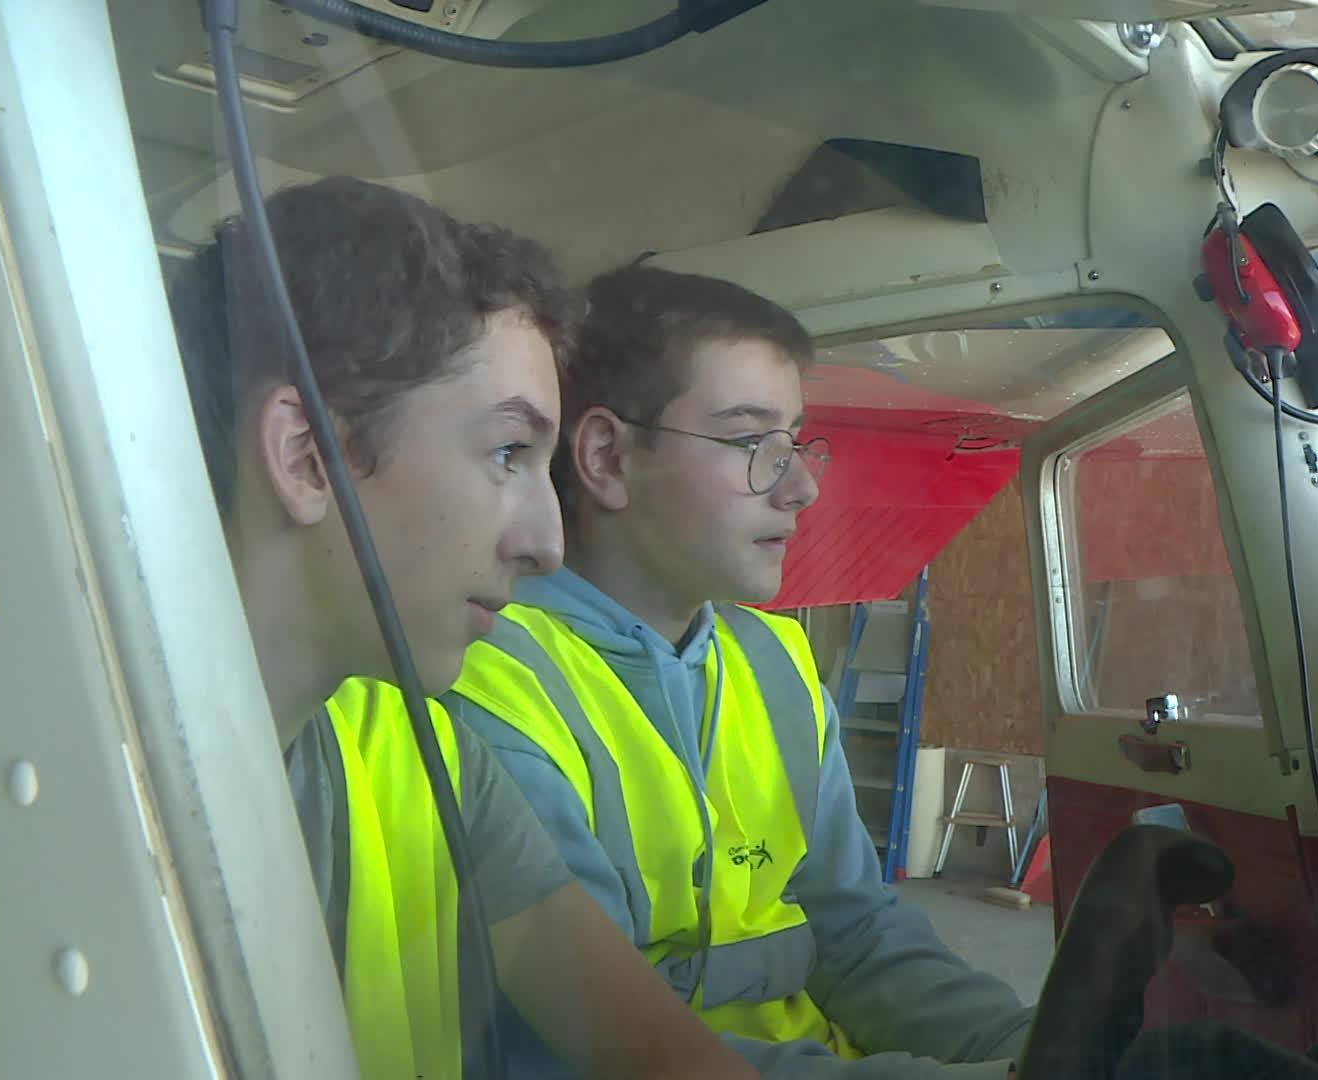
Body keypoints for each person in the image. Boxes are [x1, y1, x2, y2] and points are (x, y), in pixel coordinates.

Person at [166, 177, 759, 1080]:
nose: (548, 544)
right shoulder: (41, 789)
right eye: (507, 453)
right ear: (306, 456)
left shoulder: (432, 763)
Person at [443, 265, 1035, 1078]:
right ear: (608, 458)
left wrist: (1027, 1048)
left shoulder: (781, 665)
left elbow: (859, 935)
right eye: (752, 441)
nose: (801, 486)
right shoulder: (487, 687)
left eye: (797, 442)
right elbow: (599, 1048)